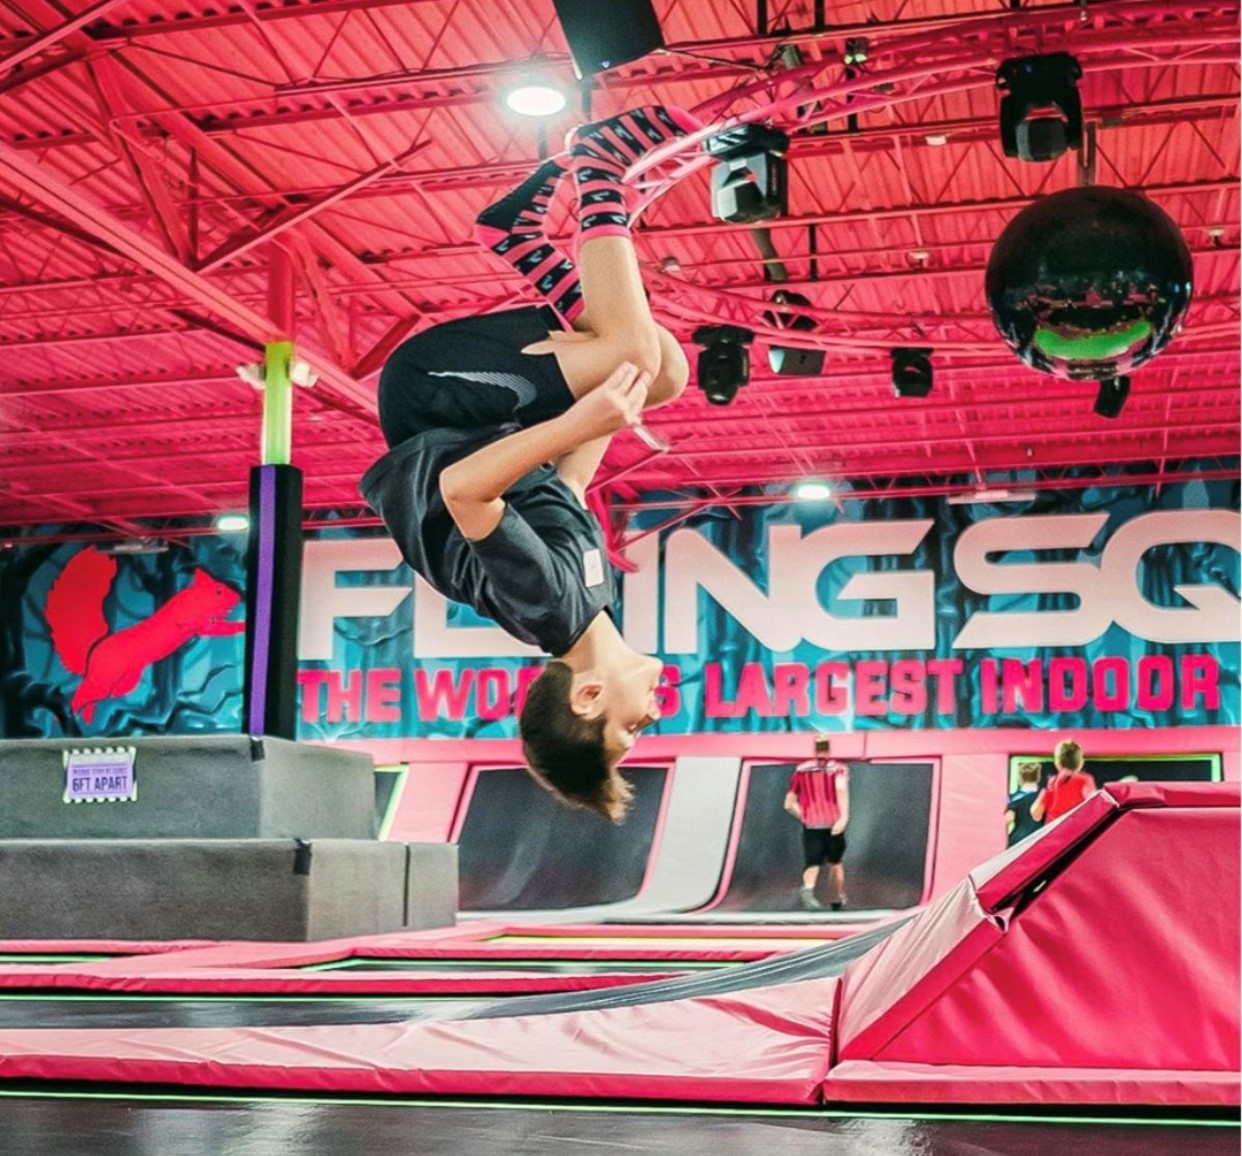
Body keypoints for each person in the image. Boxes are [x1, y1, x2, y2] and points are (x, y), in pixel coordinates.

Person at [360, 106, 699, 823]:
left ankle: (599, 167)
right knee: (661, 370)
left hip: (435, 401)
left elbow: (465, 493)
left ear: (589, 696)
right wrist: (612, 415)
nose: (651, 718)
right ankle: (520, 241)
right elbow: (563, 487)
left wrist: (582, 416)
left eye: (633, 728)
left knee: (634, 353)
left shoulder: (544, 611)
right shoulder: (590, 602)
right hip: (477, 420)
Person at [784, 735, 851, 911]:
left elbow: (788, 804)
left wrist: (805, 816)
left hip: (812, 824)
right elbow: (841, 789)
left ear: (815, 749)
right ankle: (836, 898)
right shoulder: (838, 769)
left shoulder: (801, 770)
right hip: (833, 824)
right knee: (835, 862)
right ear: (828, 749)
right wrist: (843, 817)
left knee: (812, 862)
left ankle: (807, 891)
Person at [1031, 739, 1096, 825]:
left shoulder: (1052, 782)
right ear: (1081, 763)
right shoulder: (1085, 780)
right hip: (1077, 832)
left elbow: (1036, 814)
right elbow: (1094, 806)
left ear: (1057, 764)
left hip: (1054, 833)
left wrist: (1044, 793)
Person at [1005, 761, 1043, 846]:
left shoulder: (1014, 798)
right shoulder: (1044, 796)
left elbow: (1008, 819)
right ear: (1038, 777)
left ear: (1020, 778)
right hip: (1039, 837)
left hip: (1018, 839)